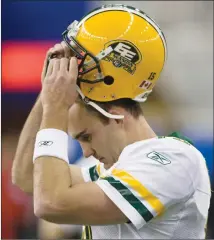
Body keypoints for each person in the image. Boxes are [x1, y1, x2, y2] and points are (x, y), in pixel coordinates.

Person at [12, 4, 211, 239]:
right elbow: (27, 177)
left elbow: (51, 203)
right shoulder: (115, 169)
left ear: (116, 115)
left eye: (86, 136)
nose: (85, 152)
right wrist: (48, 92)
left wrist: (56, 108)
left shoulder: (172, 160)